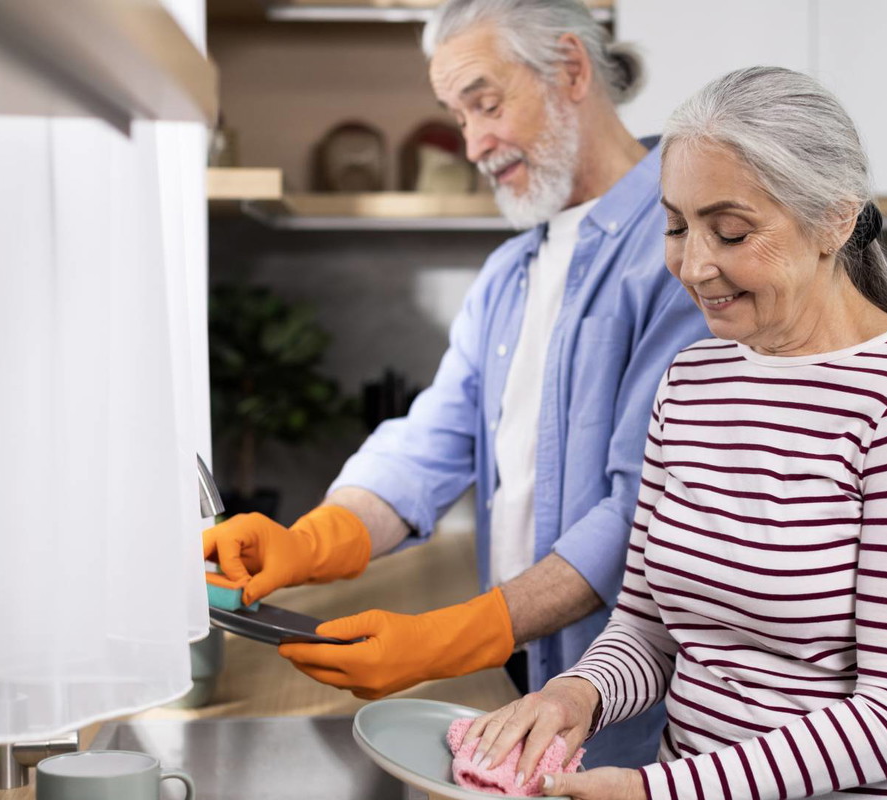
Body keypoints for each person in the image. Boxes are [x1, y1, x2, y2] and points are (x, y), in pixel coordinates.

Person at [460, 66, 887, 800]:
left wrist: (662, 791)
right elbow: (650, 626)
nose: (694, 265)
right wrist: (575, 695)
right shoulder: (692, 383)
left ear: (835, 220)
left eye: (731, 231)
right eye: (677, 226)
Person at [200, 0, 707, 769]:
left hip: (643, 718)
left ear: (571, 68)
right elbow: (429, 443)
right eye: (457, 115)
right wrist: (308, 542)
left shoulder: (683, 247)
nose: (473, 143)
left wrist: (463, 632)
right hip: (529, 680)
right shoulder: (511, 274)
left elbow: (645, 510)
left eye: (486, 102)